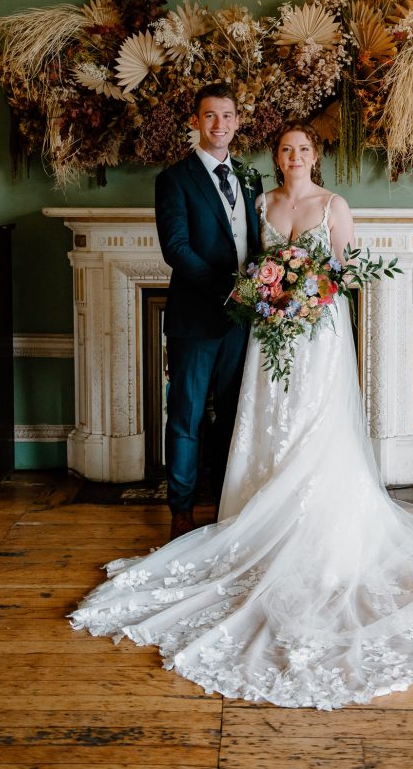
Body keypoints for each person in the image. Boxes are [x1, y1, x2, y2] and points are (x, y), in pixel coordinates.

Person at [71, 122, 413, 710]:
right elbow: (252, 261)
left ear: (315, 156)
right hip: (269, 332)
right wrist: (271, 294)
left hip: (319, 332)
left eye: (303, 149)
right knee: (267, 421)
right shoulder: (261, 201)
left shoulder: (334, 204)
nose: (294, 156)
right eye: (285, 149)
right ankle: (254, 514)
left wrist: (308, 292)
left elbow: (347, 270)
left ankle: (319, 524)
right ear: (276, 158)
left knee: (313, 422)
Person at [153, 84, 262, 540]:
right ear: (197, 122)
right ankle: (180, 509)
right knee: (187, 414)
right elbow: (176, 249)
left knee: (237, 413)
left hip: (242, 322)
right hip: (196, 318)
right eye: (210, 116)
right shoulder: (174, 180)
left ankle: (226, 502)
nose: (219, 124)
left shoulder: (252, 178)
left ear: (237, 122)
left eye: (227, 116)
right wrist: (229, 289)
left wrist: (261, 286)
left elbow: (257, 243)